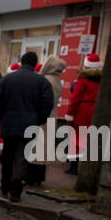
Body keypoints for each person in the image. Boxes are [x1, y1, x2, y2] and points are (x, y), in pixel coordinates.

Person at [0, 51, 55, 202]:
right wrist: (39, 119)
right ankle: (15, 190)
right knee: (22, 157)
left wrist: (3, 117)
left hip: (10, 123)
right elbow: (47, 104)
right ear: (35, 64)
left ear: (21, 62)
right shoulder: (42, 82)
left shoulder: (8, 79)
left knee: (8, 155)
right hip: (30, 124)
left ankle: (5, 184)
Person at [27, 55, 67, 185]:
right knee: (44, 150)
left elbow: (42, 100)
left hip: (43, 116)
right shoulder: (57, 80)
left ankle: (33, 177)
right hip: (51, 116)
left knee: (37, 148)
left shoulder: (46, 80)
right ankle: (38, 177)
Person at [63, 53, 102, 174]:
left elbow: (75, 98)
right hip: (96, 111)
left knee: (77, 140)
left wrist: (70, 114)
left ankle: (74, 167)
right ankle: (90, 168)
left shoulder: (82, 80)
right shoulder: (102, 80)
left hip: (82, 112)